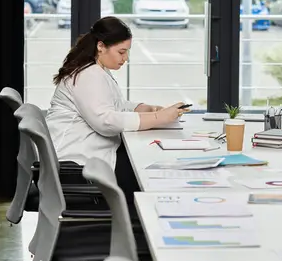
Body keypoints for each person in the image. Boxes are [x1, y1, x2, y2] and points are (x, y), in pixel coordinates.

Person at [45, 16, 187, 168]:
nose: (125, 58)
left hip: (88, 155)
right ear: (101, 46)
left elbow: (111, 104)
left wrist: (144, 109)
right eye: (121, 52)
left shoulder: (95, 69)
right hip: (76, 162)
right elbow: (106, 122)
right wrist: (158, 117)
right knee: (147, 165)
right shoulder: (88, 75)